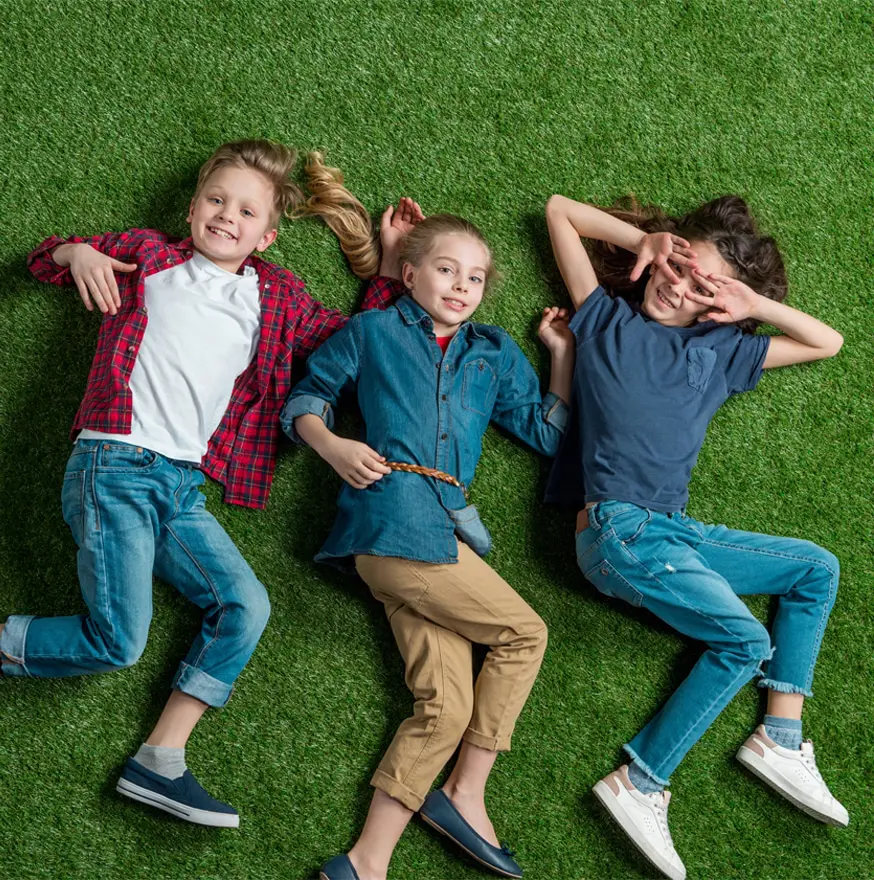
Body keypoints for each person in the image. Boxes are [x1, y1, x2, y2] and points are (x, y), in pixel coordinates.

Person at [0, 140, 396, 827]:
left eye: (245, 211)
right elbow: (45, 258)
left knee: (246, 606)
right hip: (114, 465)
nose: (226, 216)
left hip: (181, 487)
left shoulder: (276, 296)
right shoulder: (150, 257)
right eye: (215, 200)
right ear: (192, 207)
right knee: (118, 642)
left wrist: (390, 267)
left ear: (267, 236)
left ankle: (159, 760)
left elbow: (357, 340)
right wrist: (77, 254)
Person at [544, 193, 846, 880]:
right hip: (619, 532)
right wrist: (647, 240)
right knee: (744, 641)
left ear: (721, 301)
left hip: (674, 533)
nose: (675, 284)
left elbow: (826, 341)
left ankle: (780, 734)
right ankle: (640, 781)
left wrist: (753, 307)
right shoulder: (604, 322)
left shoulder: (723, 353)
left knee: (815, 569)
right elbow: (560, 211)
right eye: (676, 266)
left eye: (698, 283)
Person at [283, 204, 574, 880]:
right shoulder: (374, 331)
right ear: (410, 274)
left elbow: (549, 434)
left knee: (445, 707)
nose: (461, 285)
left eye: (474, 277)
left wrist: (562, 355)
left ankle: (364, 863)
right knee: (524, 634)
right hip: (389, 523)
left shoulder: (494, 353)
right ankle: (465, 793)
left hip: (441, 533)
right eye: (446, 269)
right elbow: (307, 397)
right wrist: (333, 447)